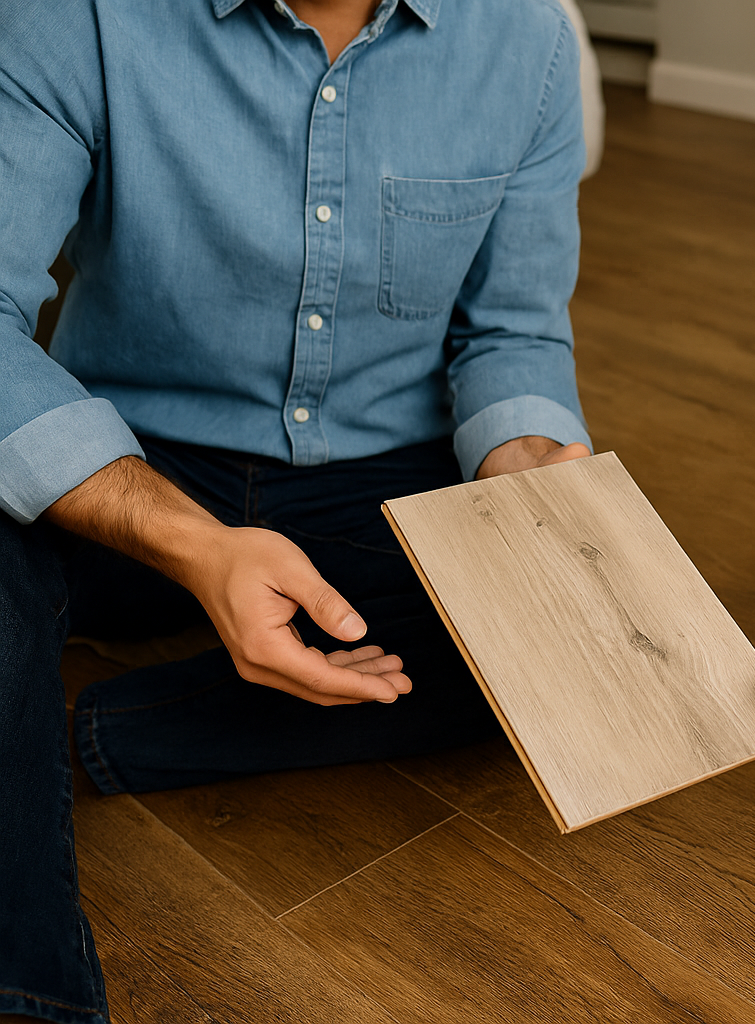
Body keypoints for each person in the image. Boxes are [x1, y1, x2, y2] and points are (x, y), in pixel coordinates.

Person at [0, 0, 595, 1019]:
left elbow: (514, 334)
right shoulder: (75, 16)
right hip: (129, 470)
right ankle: (30, 995)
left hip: (373, 481)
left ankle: (91, 729)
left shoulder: (529, 42)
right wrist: (193, 545)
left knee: (572, 645)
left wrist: (530, 477)